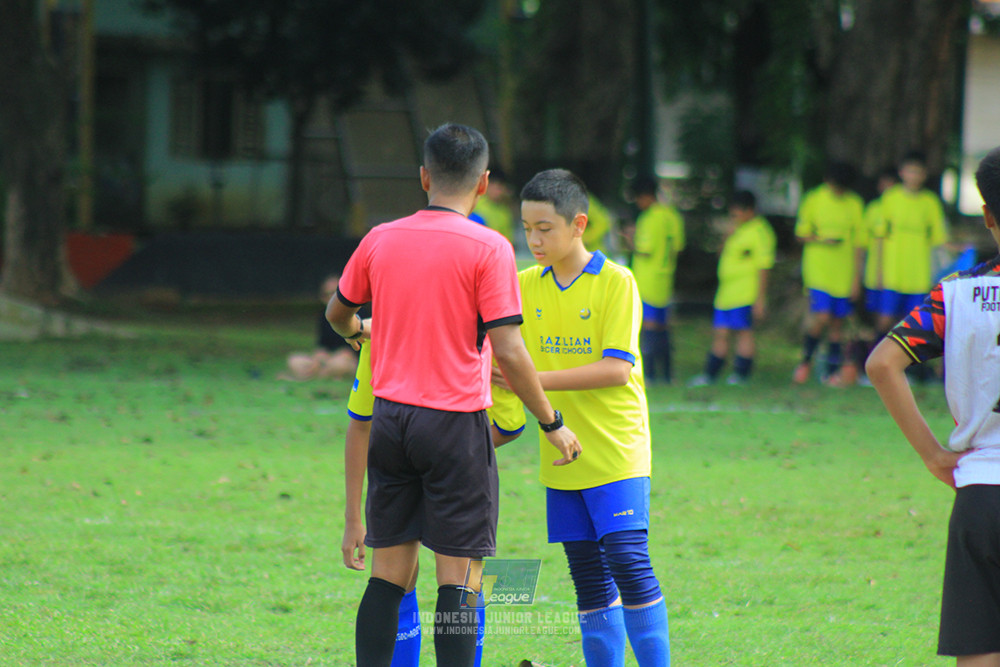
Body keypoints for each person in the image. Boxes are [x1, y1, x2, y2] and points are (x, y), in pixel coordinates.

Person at [325, 123, 581, 667]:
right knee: (459, 580)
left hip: (391, 422)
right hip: (455, 427)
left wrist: (358, 335)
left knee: (388, 577)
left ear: (424, 177)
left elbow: (338, 311)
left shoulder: (380, 238)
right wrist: (552, 421)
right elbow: (509, 350)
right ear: (484, 183)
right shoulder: (490, 248)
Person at [494, 169, 670, 666]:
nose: (534, 240)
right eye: (527, 228)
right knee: (588, 576)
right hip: (560, 451)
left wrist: (531, 381)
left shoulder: (617, 282)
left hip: (616, 448)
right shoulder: (523, 285)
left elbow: (617, 369)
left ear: (579, 225)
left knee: (629, 564)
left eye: (544, 228)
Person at [865, 145, 1000, 666]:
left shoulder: (956, 295)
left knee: (980, 653)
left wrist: (932, 453)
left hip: (981, 494)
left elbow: (881, 364)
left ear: (987, 214)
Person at [341, 339, 525, 667]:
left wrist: (353, 515)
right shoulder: (482, 332)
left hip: (396, 450)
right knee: (464, 582)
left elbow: (361, 424)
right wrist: (465, 452)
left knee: (391, 579)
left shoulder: (385, 327)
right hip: (458, 456)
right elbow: (510, 426)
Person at [688, 190, 776, 386]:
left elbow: (764, 267)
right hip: (725, 293)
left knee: (744, 332)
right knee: (720, 333)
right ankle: (710, 374)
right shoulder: (735, 229)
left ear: (750, 211)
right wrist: (727, 236)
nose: (734, 216)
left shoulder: (760, 231)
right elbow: (721, 255)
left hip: (746, 293)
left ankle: (741, 374)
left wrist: (760, 299)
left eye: (738, 212)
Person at [792, 162, 866, 384]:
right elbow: (801, 234)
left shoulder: (855, 204)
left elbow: (860, 244)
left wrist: (856, 279)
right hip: (819, 271)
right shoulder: (814, 199)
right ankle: (805, 362)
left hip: (843, 273)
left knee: (837, 324)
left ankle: (831, 372)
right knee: (821, 317)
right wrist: (822, 240)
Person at [629, 175, 685, 384]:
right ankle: (668, 374)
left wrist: (630, 240)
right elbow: (678, 247)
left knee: (648, 327)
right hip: (666, 278)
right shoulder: (672, 216)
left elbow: (644, 250)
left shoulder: (649, 218)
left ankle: (650, 374)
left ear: (644, 196)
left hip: (647, 279)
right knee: (664, 327)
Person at [280, 274, 358, 381]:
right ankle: (322, 374)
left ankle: (311, 376)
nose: (331, 298)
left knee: (339, 364)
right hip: (327, 360)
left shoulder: (357, 313)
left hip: (346, 360)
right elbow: (322, 345)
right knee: (294, 360)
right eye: (327, 295)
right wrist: (320, 356)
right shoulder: (324, 317)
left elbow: (357, 348)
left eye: (335, 293)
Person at [471, 166, 516, 244]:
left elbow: (506, 240)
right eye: (493, 185)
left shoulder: (504, 213)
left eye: (500, 187)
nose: (496, 190)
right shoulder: (474, 203)